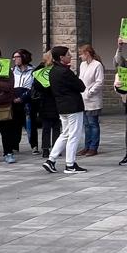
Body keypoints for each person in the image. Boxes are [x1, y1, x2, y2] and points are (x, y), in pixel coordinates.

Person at [42, 45, 88, 174]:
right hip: (72, 106)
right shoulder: (65, 72)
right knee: (74, 135)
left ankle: (51, 160)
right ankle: (70, 164)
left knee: (65, 134)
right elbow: (81, 86)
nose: (71, 56)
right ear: (61, 58)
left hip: (62, 106)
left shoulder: (52, 70)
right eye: (68, 55)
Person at [78, 44, 105, 157]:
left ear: (87, 53)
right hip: (82, 98)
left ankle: (93, 147)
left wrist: (90, 92)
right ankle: (87, 146)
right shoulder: (83, 64)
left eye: (81, 54)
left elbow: (99, 82)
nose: (80, 56)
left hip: (92, 98)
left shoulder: (97, 65)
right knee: (86, 124)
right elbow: (81, 78)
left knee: (93, 123)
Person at [33, 52, 60, 151]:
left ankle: (47, 148)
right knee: (53, 126)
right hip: (51, 99)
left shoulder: (40, 69)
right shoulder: (55, 68)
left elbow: (36, 84)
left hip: (47, 100)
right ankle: (53, 148)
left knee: (48, 126)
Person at [11, 49, 36, 154]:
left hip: (27, 99)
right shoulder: (12, 70)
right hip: (13, 97)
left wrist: (22, 98)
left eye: (17, 57)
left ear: (24, 57)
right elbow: (9, 85)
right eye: (14, 57)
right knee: (15, 124)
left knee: (30, 123)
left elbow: (33, 87)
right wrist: (13, 97)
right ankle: (14, 145)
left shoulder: (33, 70)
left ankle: (34, 145)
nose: (15, 59)